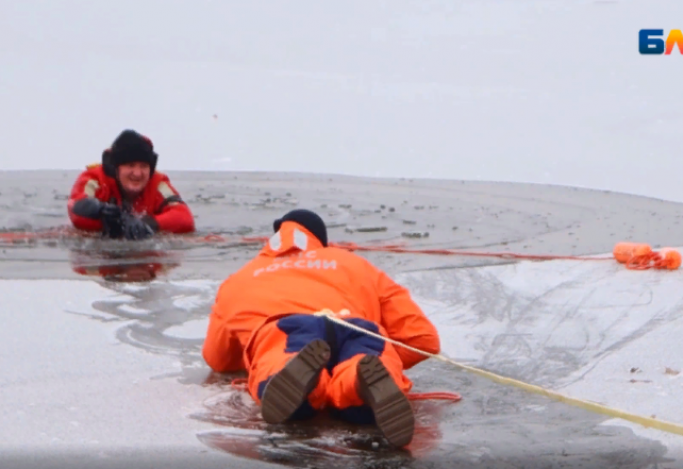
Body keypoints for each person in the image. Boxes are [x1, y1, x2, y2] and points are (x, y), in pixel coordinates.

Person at [202, 209, 440, 448]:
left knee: (280, 356)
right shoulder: (353, 262)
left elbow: (217, 359)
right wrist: (389, 358)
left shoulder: (238, 279)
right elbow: (422, 339)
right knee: (367, 354)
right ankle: (358, 377)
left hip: (289, 328)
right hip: (355, 326)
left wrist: (248, 359)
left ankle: (297, 375)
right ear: (320, 240)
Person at [67, 129, 195, 240]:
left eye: (144, 166)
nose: (137, 173)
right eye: (130, 165)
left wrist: (147, 225)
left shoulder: (158, 184)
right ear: (116, 168)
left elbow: (185, 218)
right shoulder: (94, 179)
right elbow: (75, 207)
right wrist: (103, 214)